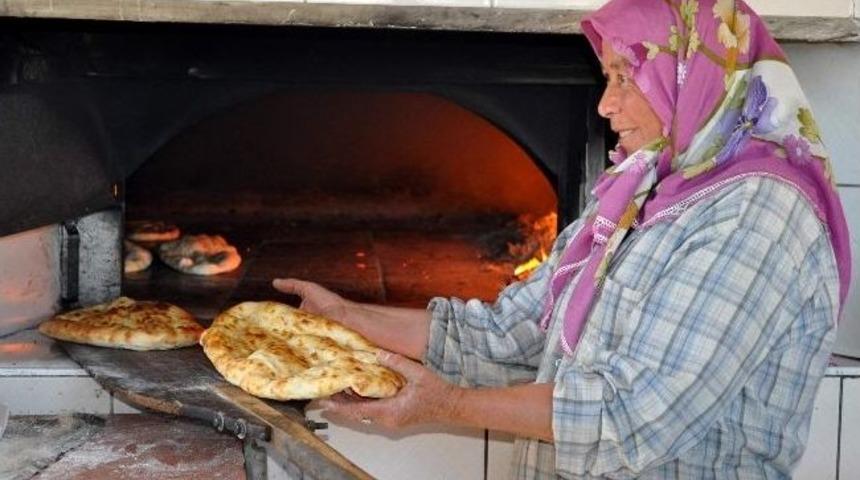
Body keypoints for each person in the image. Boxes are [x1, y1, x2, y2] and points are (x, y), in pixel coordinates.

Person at [273, 0, 852, 478]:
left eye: (627, 77)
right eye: (607, 79)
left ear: (693, 73)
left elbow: (631, 415)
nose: (606, 105)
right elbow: (513, 335)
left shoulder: (758, 213)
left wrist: (445, 405)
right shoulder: (641, 188)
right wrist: (344, 318)